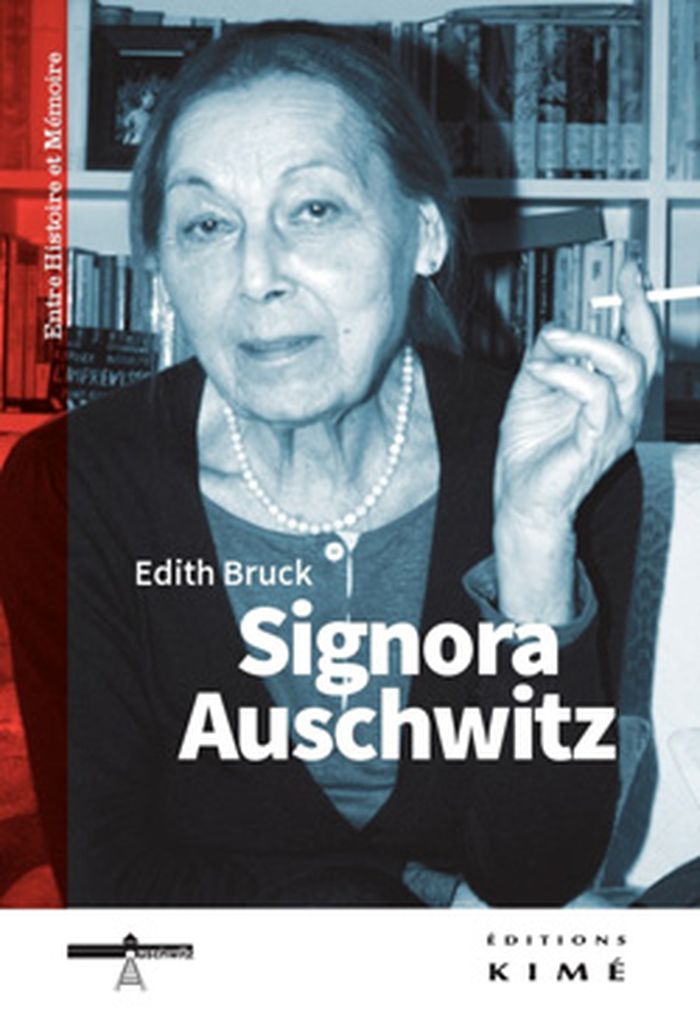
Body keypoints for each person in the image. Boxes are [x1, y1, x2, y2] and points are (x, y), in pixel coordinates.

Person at [0, 22, 659, 908]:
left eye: (314, 209)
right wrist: (409, 902)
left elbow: (535, 873)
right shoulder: (70, 485)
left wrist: (533, 540)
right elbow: (115, 882)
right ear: (162, 266)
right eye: (207, 224)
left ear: (424, 235)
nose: (258, 275)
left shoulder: (561, 462)